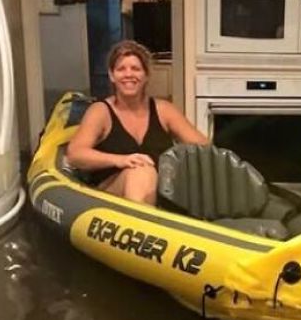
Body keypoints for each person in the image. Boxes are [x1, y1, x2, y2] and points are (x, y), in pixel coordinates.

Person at [66, 41, 208, 205]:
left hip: (159, 190)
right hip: (111, 193)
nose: (128, 74)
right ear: (112, 75)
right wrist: (121, 160)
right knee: (141, 171)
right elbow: (75, 154)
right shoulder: (100, 111)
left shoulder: (164, 110)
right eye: (121, 69)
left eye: (136, 69)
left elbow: (203, 147)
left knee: (150, 174)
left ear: (146, 75)